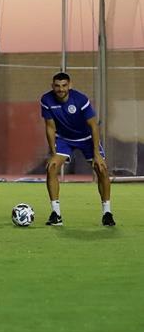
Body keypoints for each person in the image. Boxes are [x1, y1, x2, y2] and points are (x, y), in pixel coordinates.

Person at [40, 72, 114, 226]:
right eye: (57, 86)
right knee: (51, 167)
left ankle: (107, 213)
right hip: (64, 139)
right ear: (52, 86)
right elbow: (50, 127)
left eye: (64, 85)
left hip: (86, 139)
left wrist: (96, 153)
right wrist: (53, 153)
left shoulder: (81, 100)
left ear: (70, 85)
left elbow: (94, 126)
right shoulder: (46, 100)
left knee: (102, 169)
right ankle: (56, 214)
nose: (61, 89)